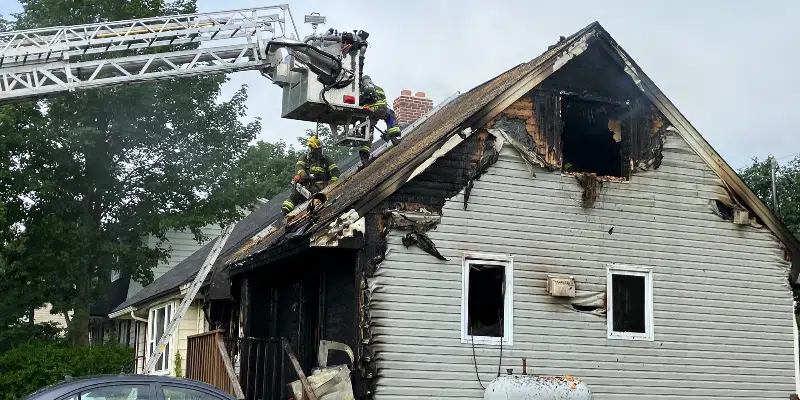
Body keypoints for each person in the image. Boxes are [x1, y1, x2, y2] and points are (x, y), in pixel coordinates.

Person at [281, 135, 339, 216]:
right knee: (295, 194)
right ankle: (284, 212)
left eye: (320, 149)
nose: (320, 151)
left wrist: (332, 185)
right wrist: (304, 176)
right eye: (317, 149)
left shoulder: (326, 160)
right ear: (311, 149)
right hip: (306, 186)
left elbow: (335, 172)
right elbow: (299, 168)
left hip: (321, 189)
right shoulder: (304, 158)